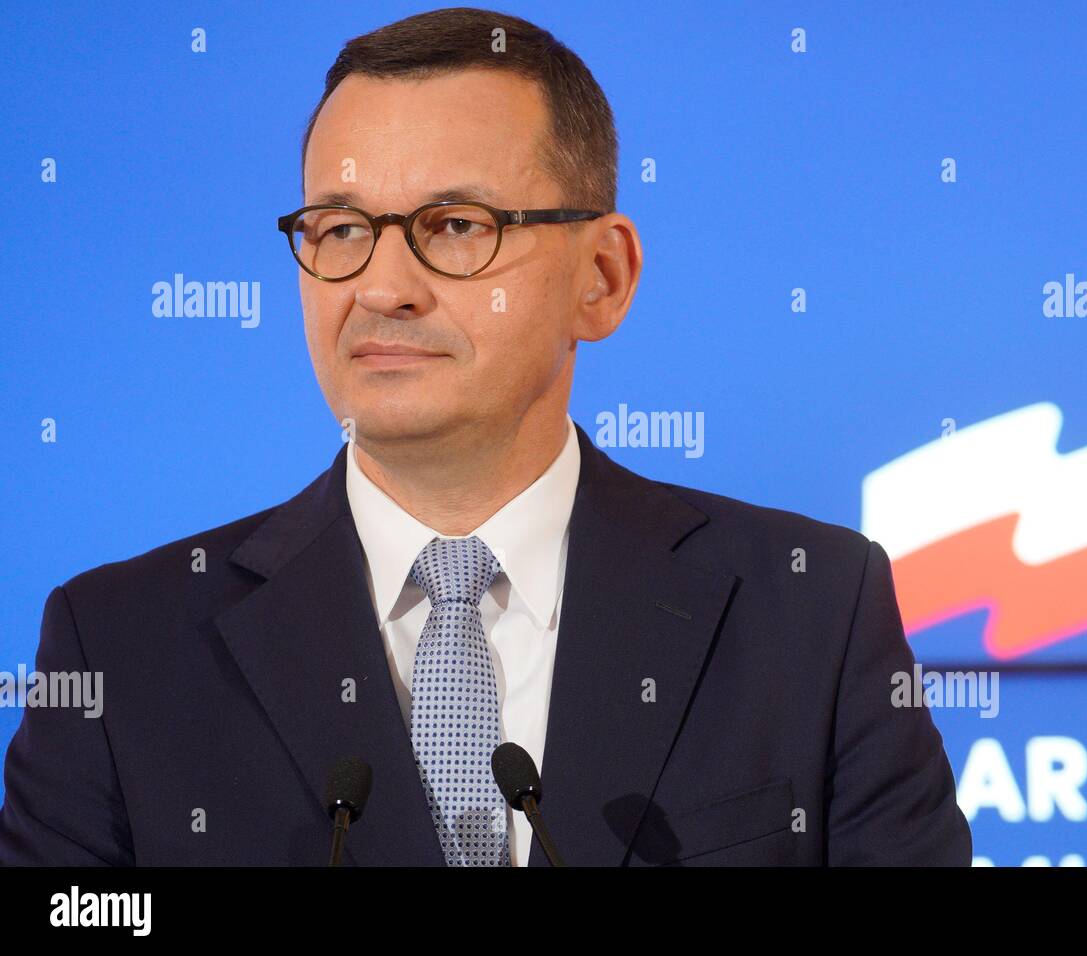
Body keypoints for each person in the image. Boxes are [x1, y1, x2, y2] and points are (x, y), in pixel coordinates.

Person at [0, 6, 971, 866]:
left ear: (602, 276)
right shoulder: (121, 648)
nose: (381, 287)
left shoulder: (811, 608)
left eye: (454, 225)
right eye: (339, 229)